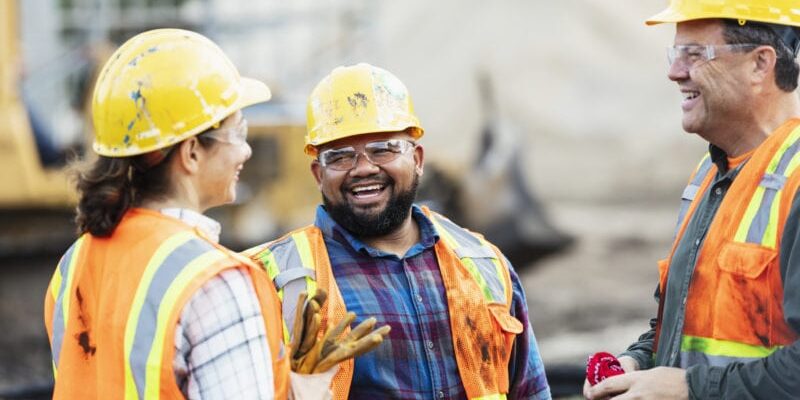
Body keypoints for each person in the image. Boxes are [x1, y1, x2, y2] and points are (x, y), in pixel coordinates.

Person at [43, 29, 387, 400]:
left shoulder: (74, 262)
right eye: (238, 133)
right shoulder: (216, 283)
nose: (246, 152)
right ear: (191, 152)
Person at [246, 63, 551, 400]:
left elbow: (529, 390)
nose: (363, 168)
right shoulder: (270, 279)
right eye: (341, 156)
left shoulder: (483, 263)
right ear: (319, 174)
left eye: (383, 149)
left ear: (417, 158)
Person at [585, 1, 800, 399]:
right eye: (675, 53)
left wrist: (689, 388)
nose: (674, 71)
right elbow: (685, 327)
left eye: (695, 53)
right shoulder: (709, 173)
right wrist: (638, 361)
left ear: (760, 64)